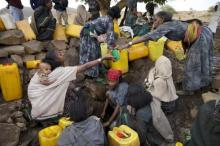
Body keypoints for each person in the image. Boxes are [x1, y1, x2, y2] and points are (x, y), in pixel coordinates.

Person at [122, 11, 213, 95]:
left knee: (192, 64)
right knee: (203, 60)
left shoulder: (166, 26)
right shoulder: (170, 23)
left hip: (199, 38)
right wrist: (154, 27)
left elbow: (148, 36)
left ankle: (190, 89)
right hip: (204, 33)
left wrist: (129, 43)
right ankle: (203, 83)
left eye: (156, 19)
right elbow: (152, 33)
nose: (154, 21)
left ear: (162, 19)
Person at [28, 49, 113, 120]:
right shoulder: (61, 72)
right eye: (59, 54)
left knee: (73, 90)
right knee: (85, 105)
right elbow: (85, 67)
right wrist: (102, 58)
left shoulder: (43, 70)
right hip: (44, 110)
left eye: (61, 51)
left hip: (36, 104)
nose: (63, 53)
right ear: (55, 60)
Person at [79, 6, 121, 78]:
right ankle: (90, 75)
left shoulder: (105, 17)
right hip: (89, 33)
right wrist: (113, 51)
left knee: (93, 52)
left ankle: (87, 71)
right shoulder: (109, 22)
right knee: (92, 54)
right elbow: (110, 39)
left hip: (86, 31)